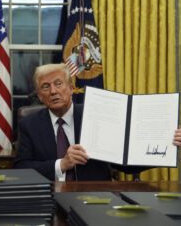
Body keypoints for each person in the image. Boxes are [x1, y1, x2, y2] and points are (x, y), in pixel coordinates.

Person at [14, 63, 181, 181]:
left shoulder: (97, 116)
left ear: (71, 88)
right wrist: (62, 164)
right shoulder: (29, 124)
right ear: (40, 96)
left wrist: (167, 144)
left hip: (96, 196)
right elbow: (21, 169)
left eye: (59, 83)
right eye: (45, 87)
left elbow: (125, 164)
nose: (53, 91)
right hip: (51, 196)